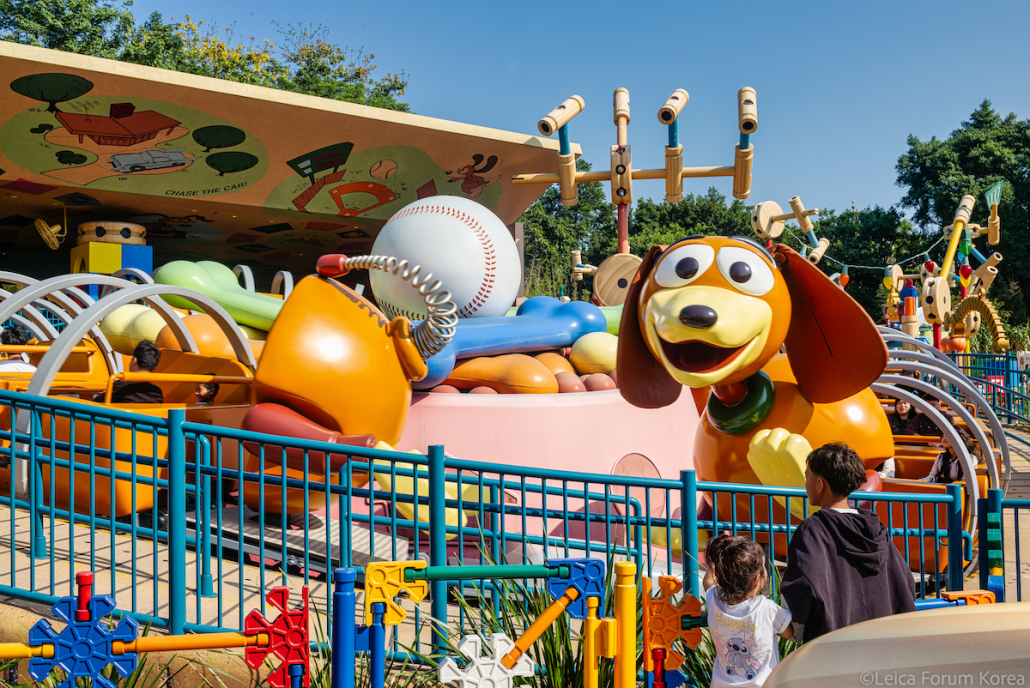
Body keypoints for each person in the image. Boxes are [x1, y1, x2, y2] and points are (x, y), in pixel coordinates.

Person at [780, 442, 915, 643]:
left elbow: (802, 590)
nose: (805, 483)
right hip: (884, 643)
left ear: (820, 484)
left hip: (834, 645)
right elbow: (906, 584)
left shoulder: (813, 530)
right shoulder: (876, 529)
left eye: (807, 477)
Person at [703, 535, 792, 687]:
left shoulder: (715, 600)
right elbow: (788, 633)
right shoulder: (767, 609)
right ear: (757, 579)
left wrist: (719, 558)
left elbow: (708, 581)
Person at [96, 341, 163, 403]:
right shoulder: (157, 391)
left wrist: (104, 394)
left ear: (134, 360)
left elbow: (98, 401)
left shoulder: (120, 386)